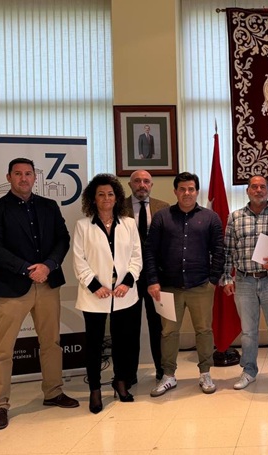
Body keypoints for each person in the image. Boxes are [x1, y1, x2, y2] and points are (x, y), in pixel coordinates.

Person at [0, 157, 79, 431]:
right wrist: (26, 269)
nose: (24, 178)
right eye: (18, 173)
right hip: (12, 287)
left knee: (51, 342)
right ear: (9, 177)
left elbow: (63, 239)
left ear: (35, 177)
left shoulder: (49, 206)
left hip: (47, 283)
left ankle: (53, 392)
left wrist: (49, 265)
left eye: (28, 173)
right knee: (2, 348)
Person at [144, 172, 225, 396]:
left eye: (191, 189)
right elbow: (150, 251)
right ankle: (168, 375)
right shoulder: (162, 217)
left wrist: (213, 280)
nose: (187, 193)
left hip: (201, 286)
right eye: (182, 189)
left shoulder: (210, 217)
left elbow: (219, 251)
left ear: (197, 191)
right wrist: (153, 280)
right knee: (168, 332)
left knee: (204, 330)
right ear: (175, 191)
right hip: (169, 287)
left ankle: (205, 373)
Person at [72, 174, 143, 414]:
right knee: (94, 344)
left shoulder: (129, 224)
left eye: (110, 194)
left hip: (124, 293)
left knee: (123, 342)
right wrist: (95, 286)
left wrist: (127, 282)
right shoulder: (83, 226)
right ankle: (94, 389)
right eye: (101, 194)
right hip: (95, 295)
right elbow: (79, 260)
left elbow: (136, 257)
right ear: (93, 198)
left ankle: (120, 382)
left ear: (117, 197)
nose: (106, 198)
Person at [222, 175, 268, 390]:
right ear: (247, 191)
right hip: (244, 281)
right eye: (254, 187)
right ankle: (249, 371)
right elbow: (227, 251)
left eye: (262, 187)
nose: (258, 190)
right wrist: (227, 278)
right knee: (248, 332)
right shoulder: (235, 217)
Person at [126, 169, 170, 381]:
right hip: (128, 277)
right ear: (130, 185)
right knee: (129, 326)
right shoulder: (118, 207)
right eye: (137, 181)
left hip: (157, 276)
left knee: (159, 325)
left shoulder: (164, 207)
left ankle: (163, 369)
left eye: (146, 181)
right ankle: (129, 373)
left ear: (151, 185)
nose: (141, 185)